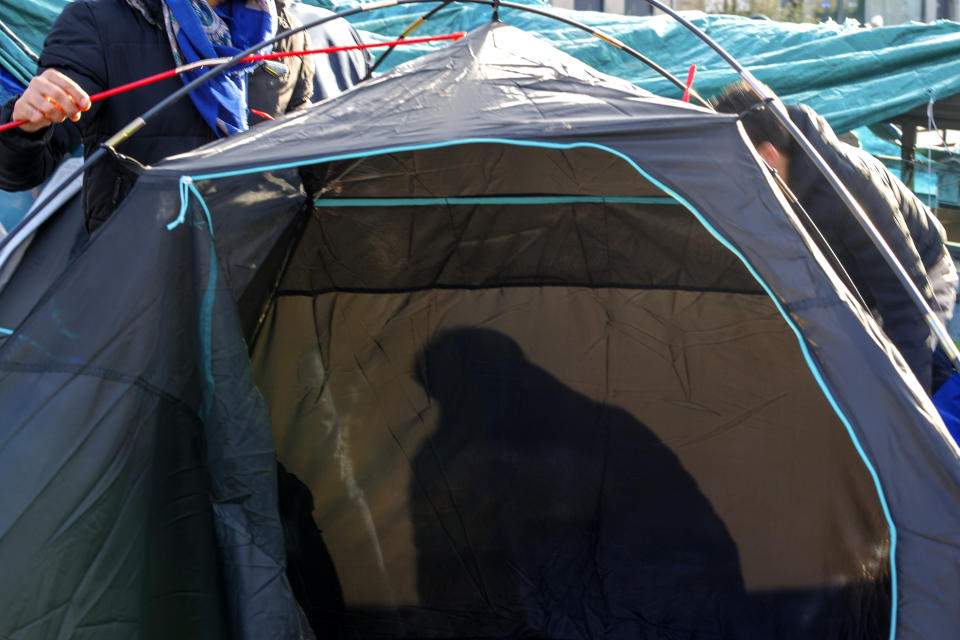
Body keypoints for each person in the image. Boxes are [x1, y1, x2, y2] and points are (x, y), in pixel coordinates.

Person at [714, 82, 958, 394]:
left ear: (768, 154)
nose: (737, 181)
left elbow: (906, 303)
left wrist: (913, 411)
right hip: (854, 286)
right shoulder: (769, 186)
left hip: (922, 275)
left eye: (739, 168)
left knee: (894, 377)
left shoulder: (851, 189)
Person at [0, 0, 314, 232]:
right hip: (141, 271)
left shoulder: (287, 33)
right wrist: (26, 122)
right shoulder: (99, 18)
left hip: (252, 262)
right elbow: (18, 170)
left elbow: (300, 160)